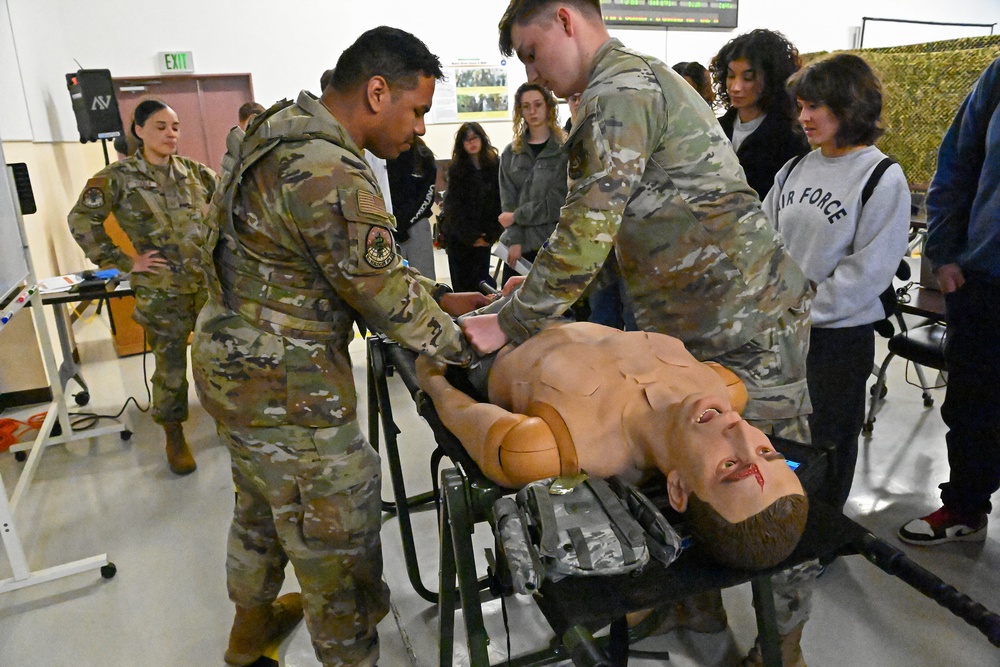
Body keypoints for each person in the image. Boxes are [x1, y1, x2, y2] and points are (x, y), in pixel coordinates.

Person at [470, 3, 816, 664]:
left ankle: (785, 647)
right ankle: (691, 603)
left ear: (566, 20)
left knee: (773, 486)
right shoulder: (630, 84)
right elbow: (623, 224)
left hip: (747, 326)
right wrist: (537, 287)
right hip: (695, 328)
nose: (533, 73)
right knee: (686, 471)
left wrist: (509, 322)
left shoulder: (618, 91)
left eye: (532, 51)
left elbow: (589, 224)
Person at [190, 26, 490, 667]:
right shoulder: (329, 170)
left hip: (231, 364)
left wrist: (436, 295)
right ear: (377, 92)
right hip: (288, 384)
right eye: (416, 111)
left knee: (262, 502)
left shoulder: (272, 130)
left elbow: (331, 265)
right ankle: (349, 653)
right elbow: (381, 296)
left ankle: (249, 633)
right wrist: (477, 345)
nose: (417, 130)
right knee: (338, 526)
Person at [417, 321, 809, 571]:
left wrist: (432, 374)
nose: (740, 428)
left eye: (729, 466)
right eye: (766, 451)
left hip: (481, 341)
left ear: (677, 488)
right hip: (536, 306)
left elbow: (447, 399)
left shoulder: (547, 447)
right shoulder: (723, 387)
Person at [763, 54, 911, 514]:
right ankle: (780, 519)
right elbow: (761, 242)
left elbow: (867, 272)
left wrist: (803, 310)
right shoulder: (793, 170)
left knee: (829, 441)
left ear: (850, 107)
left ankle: (822, 534)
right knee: (780, 436)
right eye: (801, 106)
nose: (803, 117)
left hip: (837, 340)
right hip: (781, 331)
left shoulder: (882, 177)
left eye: (816, 107)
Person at [68, 98, 218, 476]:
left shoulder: (196, 173)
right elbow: (81, 218)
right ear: (138, 131)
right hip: (161, 289)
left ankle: (228, 422)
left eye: (175, 127)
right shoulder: (118, 178)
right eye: (160, 127)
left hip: (206, 286)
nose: (171, 134)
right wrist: (123, 261)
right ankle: (174, 434)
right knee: (169, 368)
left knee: (215, 360)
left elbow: (226, 211)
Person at [898, 56, 1000, 546]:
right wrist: (942, 251)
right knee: (974, 405)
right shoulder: (998, 76)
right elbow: (956, 164)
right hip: (988, 278)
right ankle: (964, 506)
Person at [711, 29, 810, 199]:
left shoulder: (790, 138)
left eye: (748, 78)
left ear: (772, 80)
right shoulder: (714, 128)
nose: (736, 87)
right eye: (731, 75)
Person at [498, 83, 568, 285]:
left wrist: (517, 217)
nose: (532, 111)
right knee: (512, 308)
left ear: (548, 107)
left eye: (538, 104)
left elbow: (557, 205)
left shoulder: (563, 151)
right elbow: (507, 204)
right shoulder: (510, 153)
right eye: (526, 106)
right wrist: (516, 239)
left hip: (553, 245)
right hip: (518, 249)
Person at [439, 122, 503, 292]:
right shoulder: (456, 169)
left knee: (484, 287)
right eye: (466, 140)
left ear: (482, 139)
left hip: (485, 236)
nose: (472, 143)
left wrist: (489, 235)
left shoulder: (495, 165)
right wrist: (470, 237)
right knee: (463, 288)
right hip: (460, 238)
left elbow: (498, 202)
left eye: (475, 138)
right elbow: (454, 208)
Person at [386, 136, 438, 279]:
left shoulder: (423, 156)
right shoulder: (387, 154)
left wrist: (407, 223)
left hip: (417, 223)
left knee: (424, 277)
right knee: (395, 278)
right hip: (390, 224)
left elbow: (427, 197)